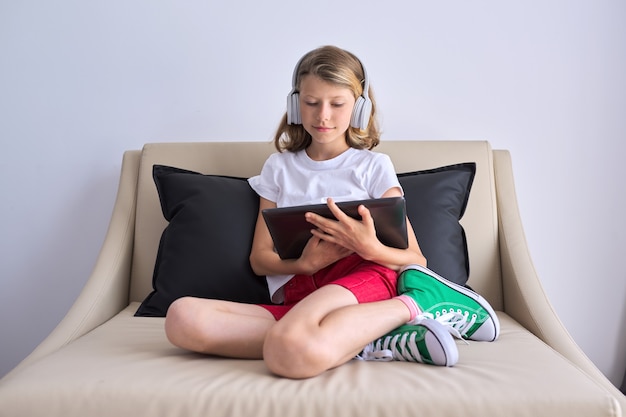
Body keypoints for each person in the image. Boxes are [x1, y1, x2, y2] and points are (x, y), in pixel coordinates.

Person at [164, 45, 499, 379]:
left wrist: (370, 248)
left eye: (337, 104)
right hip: (300, 290)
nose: (323, 115)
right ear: (295, 104)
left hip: (366, 275)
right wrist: (304, 264)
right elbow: (259, 259)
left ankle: (418, 303)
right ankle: (369, 337)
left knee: (287, 354)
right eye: (311, 103)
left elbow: (416, 259)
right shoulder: (278, 168)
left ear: (359, 108)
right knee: (182, 319)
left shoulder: (373, 167)